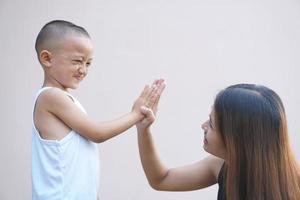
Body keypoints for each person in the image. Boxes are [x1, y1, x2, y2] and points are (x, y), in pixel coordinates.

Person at [31, 20, 165, 200]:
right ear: (47, 58)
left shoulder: (65, 99)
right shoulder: (50, 97)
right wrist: (136, 114)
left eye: (88, 63)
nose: (83, 70)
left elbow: (80, 163)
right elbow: (97, 133)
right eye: (77, 61)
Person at [137, 84, 300, 200]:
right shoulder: (221, 164)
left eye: (212, 123)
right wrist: (144, 129)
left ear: (235, 139)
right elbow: (161, 179)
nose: (203, 126)